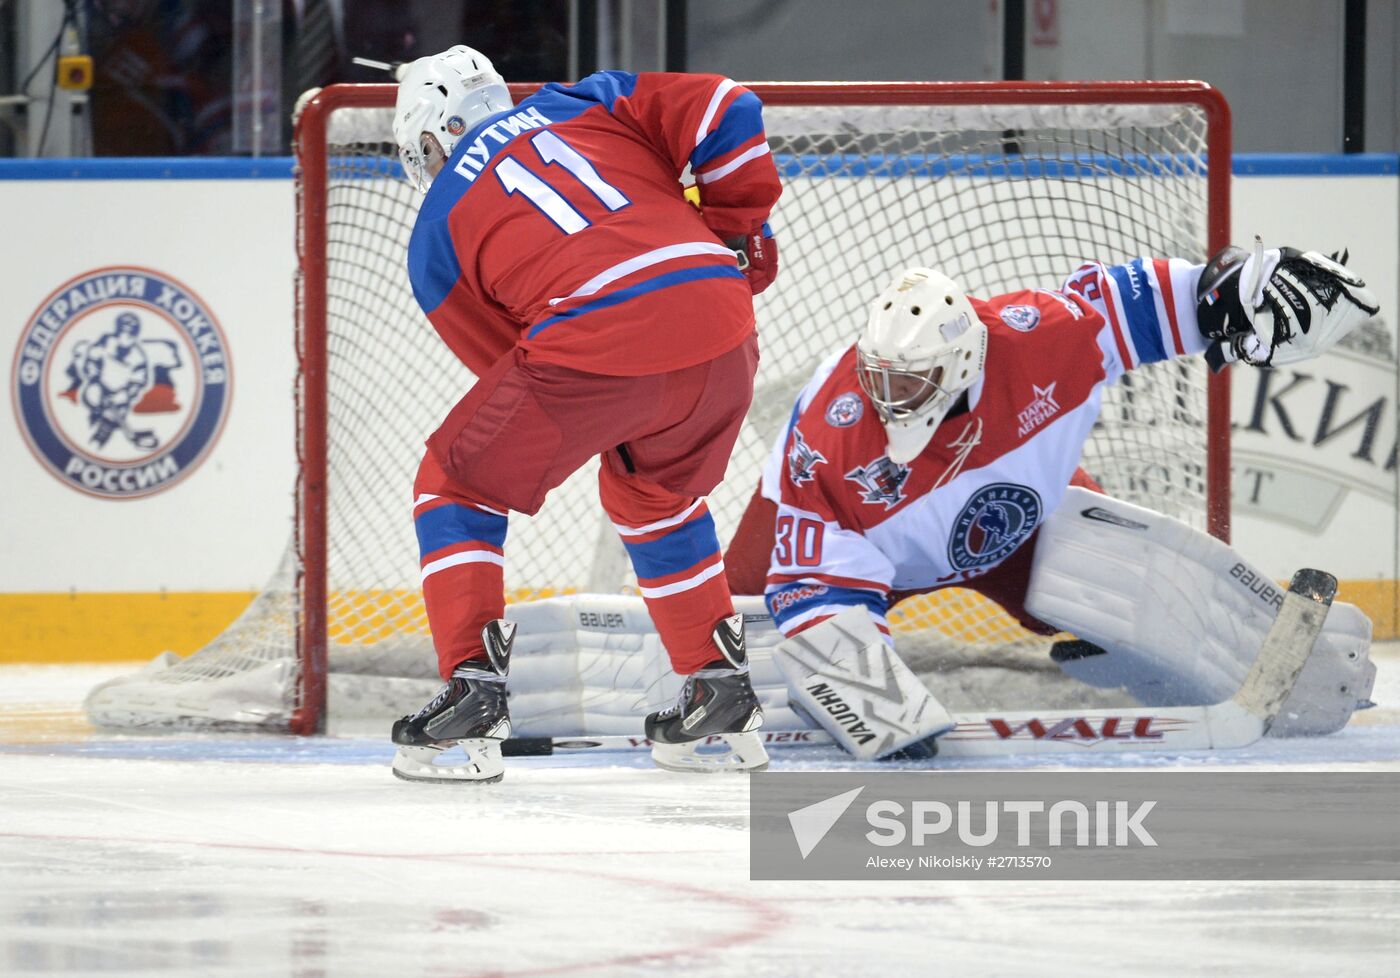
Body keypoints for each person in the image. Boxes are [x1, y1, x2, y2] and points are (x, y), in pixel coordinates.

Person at [725, 245, 1379, 756]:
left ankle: (1286, 664)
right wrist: (869, 699)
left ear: (961, 365)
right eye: (880, 376)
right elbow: (814, 582)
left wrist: (1233, 289)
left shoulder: (1039, 336)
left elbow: (1143, 306)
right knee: (728, 640)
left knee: (1107, 563)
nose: (889, 396)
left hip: (1020, 526)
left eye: (913, 380)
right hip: (859, 553)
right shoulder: (830, 442)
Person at [385, 46, 782, 782]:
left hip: (597, 337)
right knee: (653, 493)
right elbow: (731, 103)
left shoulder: (434, 233)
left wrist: (608, 383)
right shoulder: (588, 100)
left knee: (455, 480)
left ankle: (474, 686)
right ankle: (718, 687)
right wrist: (734, 226)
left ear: (432, 136)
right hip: (724, 323)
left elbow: (509, 362)